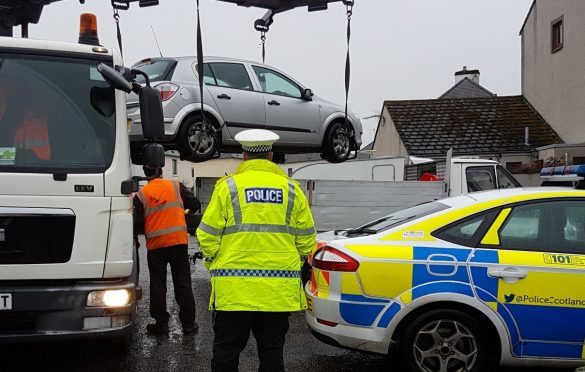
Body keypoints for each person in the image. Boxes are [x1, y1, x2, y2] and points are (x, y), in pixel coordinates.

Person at [197, 129, 317, 372]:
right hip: (276, 294)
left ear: (244, 156)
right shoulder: (292, 189)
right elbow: (307, 241)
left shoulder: (227, 187)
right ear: (271, 156)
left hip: (234, 293)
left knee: (226, 352)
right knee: (272, 354)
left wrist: (214, 263)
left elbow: (206, 235)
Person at [133, 164, 201, 335]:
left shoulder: (141, 194)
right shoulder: (175, 186)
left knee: (158, 285)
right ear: (161, 172)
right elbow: (195, 203)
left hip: (156, 245)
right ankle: (188, 324)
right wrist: (183, 213)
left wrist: (137, 238)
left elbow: (137, 223)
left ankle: (161, 323)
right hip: (178, 242)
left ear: (146, 175)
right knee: (183, 283)